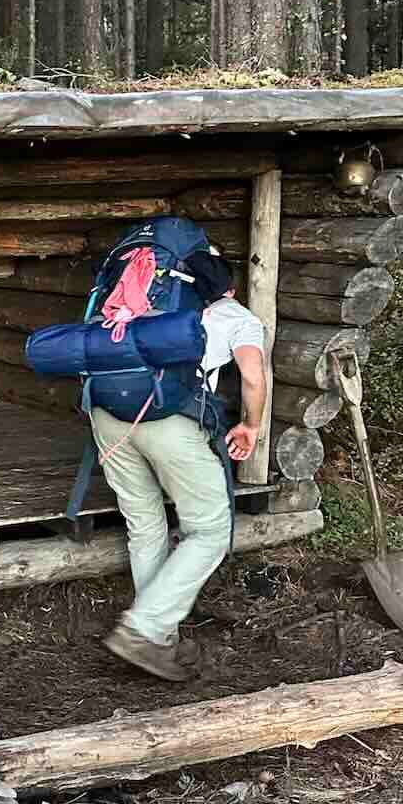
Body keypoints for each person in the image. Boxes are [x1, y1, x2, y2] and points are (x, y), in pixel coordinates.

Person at [94, 252, 267, 682]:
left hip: (106, 414)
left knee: (145, 523)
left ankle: (158, 636)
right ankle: (144, 628)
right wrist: (250, 425)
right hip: (165, 419)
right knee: (209, 529)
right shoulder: (238, 316)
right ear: (232, 288)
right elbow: (252, 376)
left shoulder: (144, 301)